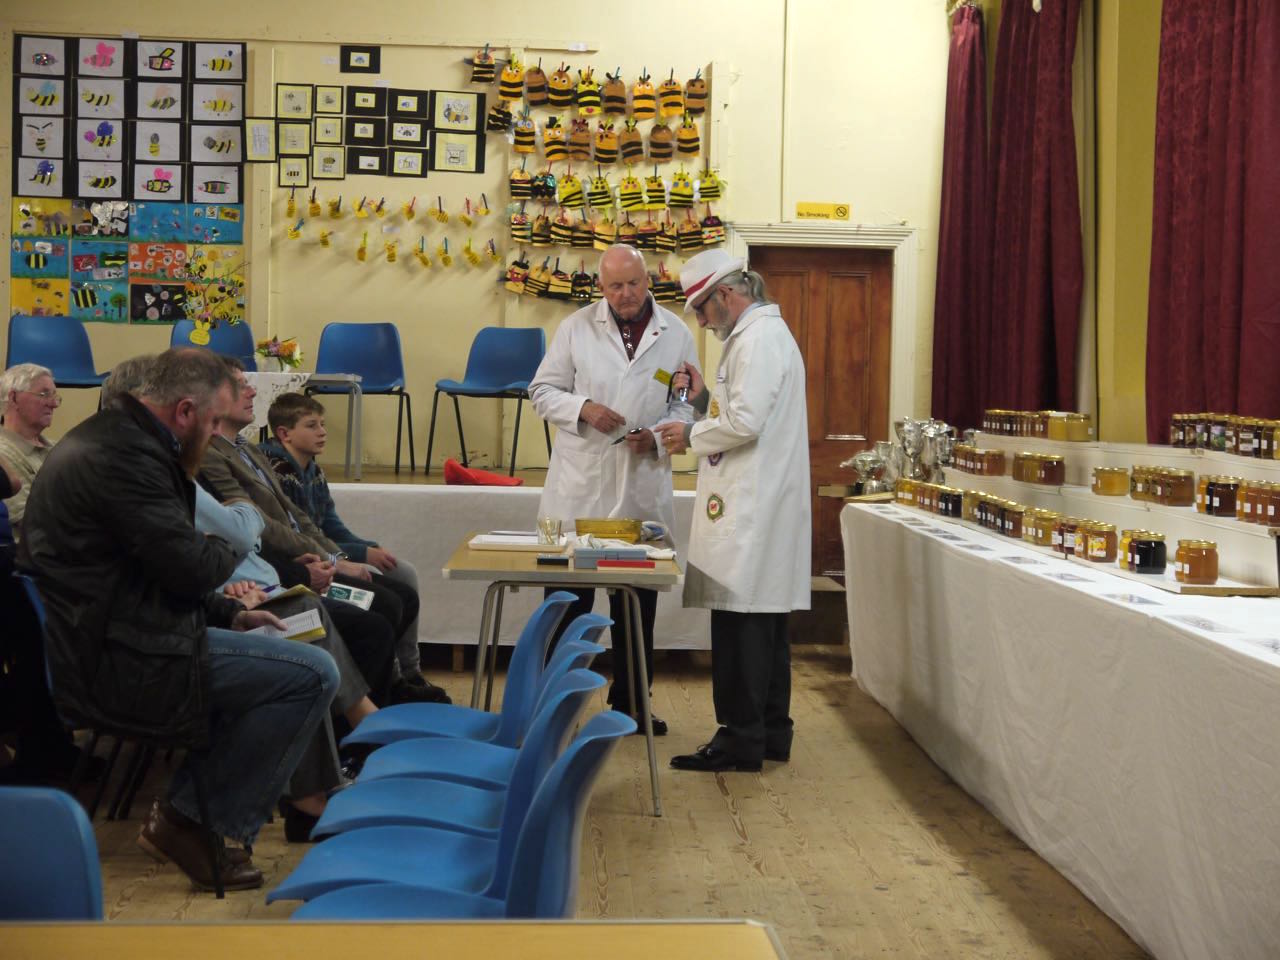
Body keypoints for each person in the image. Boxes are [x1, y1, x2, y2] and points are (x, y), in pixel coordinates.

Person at [20, 348, 339, 891]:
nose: (215, 435)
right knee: (309, 673)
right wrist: (232, 536)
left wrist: (230, 611)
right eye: (213, 423)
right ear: (186, 411)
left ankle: (201, 813)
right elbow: (191, 567)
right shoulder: (125, 459)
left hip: (131, 634)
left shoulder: (122, 443)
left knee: (292, 638)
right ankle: (188, 820)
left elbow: (160, 571)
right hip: (119, 657)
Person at [198, 360, 446, 706]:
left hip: (301, 564)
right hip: (284, 570)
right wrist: (330, 560)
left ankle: (392, 689)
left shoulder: (250, 449)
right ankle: (365, 713)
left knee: (398, 596)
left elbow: (302, 517)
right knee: (380, 610)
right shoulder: (213, 455)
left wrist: (336, 557)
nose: (253, 391)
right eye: (241, 385)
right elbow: (263, 527)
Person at [529, 243, 699, 733]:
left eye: (634, 283)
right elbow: (541, 391)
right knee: (568, 603)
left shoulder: (676, 332)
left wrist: (660, 438)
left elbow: (685, 401)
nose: (626, 294)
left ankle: (632, 705)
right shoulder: (576, 327)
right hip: (580, 486)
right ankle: (554, 707)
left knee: (635, 603)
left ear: (649, 281)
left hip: (640, 483)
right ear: (600, 287)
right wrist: (583, 408)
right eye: (616, 286)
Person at [655, 249, 811, 772]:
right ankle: (770, 731)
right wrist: (703, 403)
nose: (701, 322)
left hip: (751, 506)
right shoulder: (755, 337)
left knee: (741, 626)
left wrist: (688, 432)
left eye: (701, 309)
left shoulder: (759, 339)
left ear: (725, 294)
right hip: (755, 500)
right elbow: (740, 412)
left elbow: (745, 423)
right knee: (763, 625)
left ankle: (739, 739)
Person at [261, 391, 428, 698]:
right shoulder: (278, 472)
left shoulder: (313, 470)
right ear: (284, 434)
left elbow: (330, 524)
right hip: (310, 569)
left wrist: (367, 549)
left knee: (403, 576)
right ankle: (384, 685)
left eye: (322, 424)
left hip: (328, 557)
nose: (322, 432)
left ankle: (408, 672)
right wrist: (350, 557)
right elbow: (299, 539)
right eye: (312, 425)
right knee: (385, 602)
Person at [0, 362, 59, 537]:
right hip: (38, 549)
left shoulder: (58, 447)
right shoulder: (3, 455)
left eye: (54, 395)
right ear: (13, 398)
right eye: (44, 394)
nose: (54, 404)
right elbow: (32, 521)